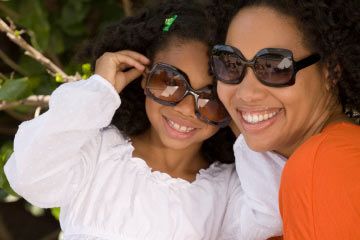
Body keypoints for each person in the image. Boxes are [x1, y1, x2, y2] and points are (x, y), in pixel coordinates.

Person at [4, 0, 286, 239]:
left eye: (211, 98)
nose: (187, 110)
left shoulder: (225, 191)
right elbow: (28, 175)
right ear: (143, 75)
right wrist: (99, 90)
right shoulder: (98, 152)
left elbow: (270, 214)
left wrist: (243, 118)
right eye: (170, 82)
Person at [211, 0, 360, 239]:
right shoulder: (337, 150)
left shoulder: (317, 166)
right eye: (231, 64)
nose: (246, 93)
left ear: (331, 70)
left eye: (275, 67)